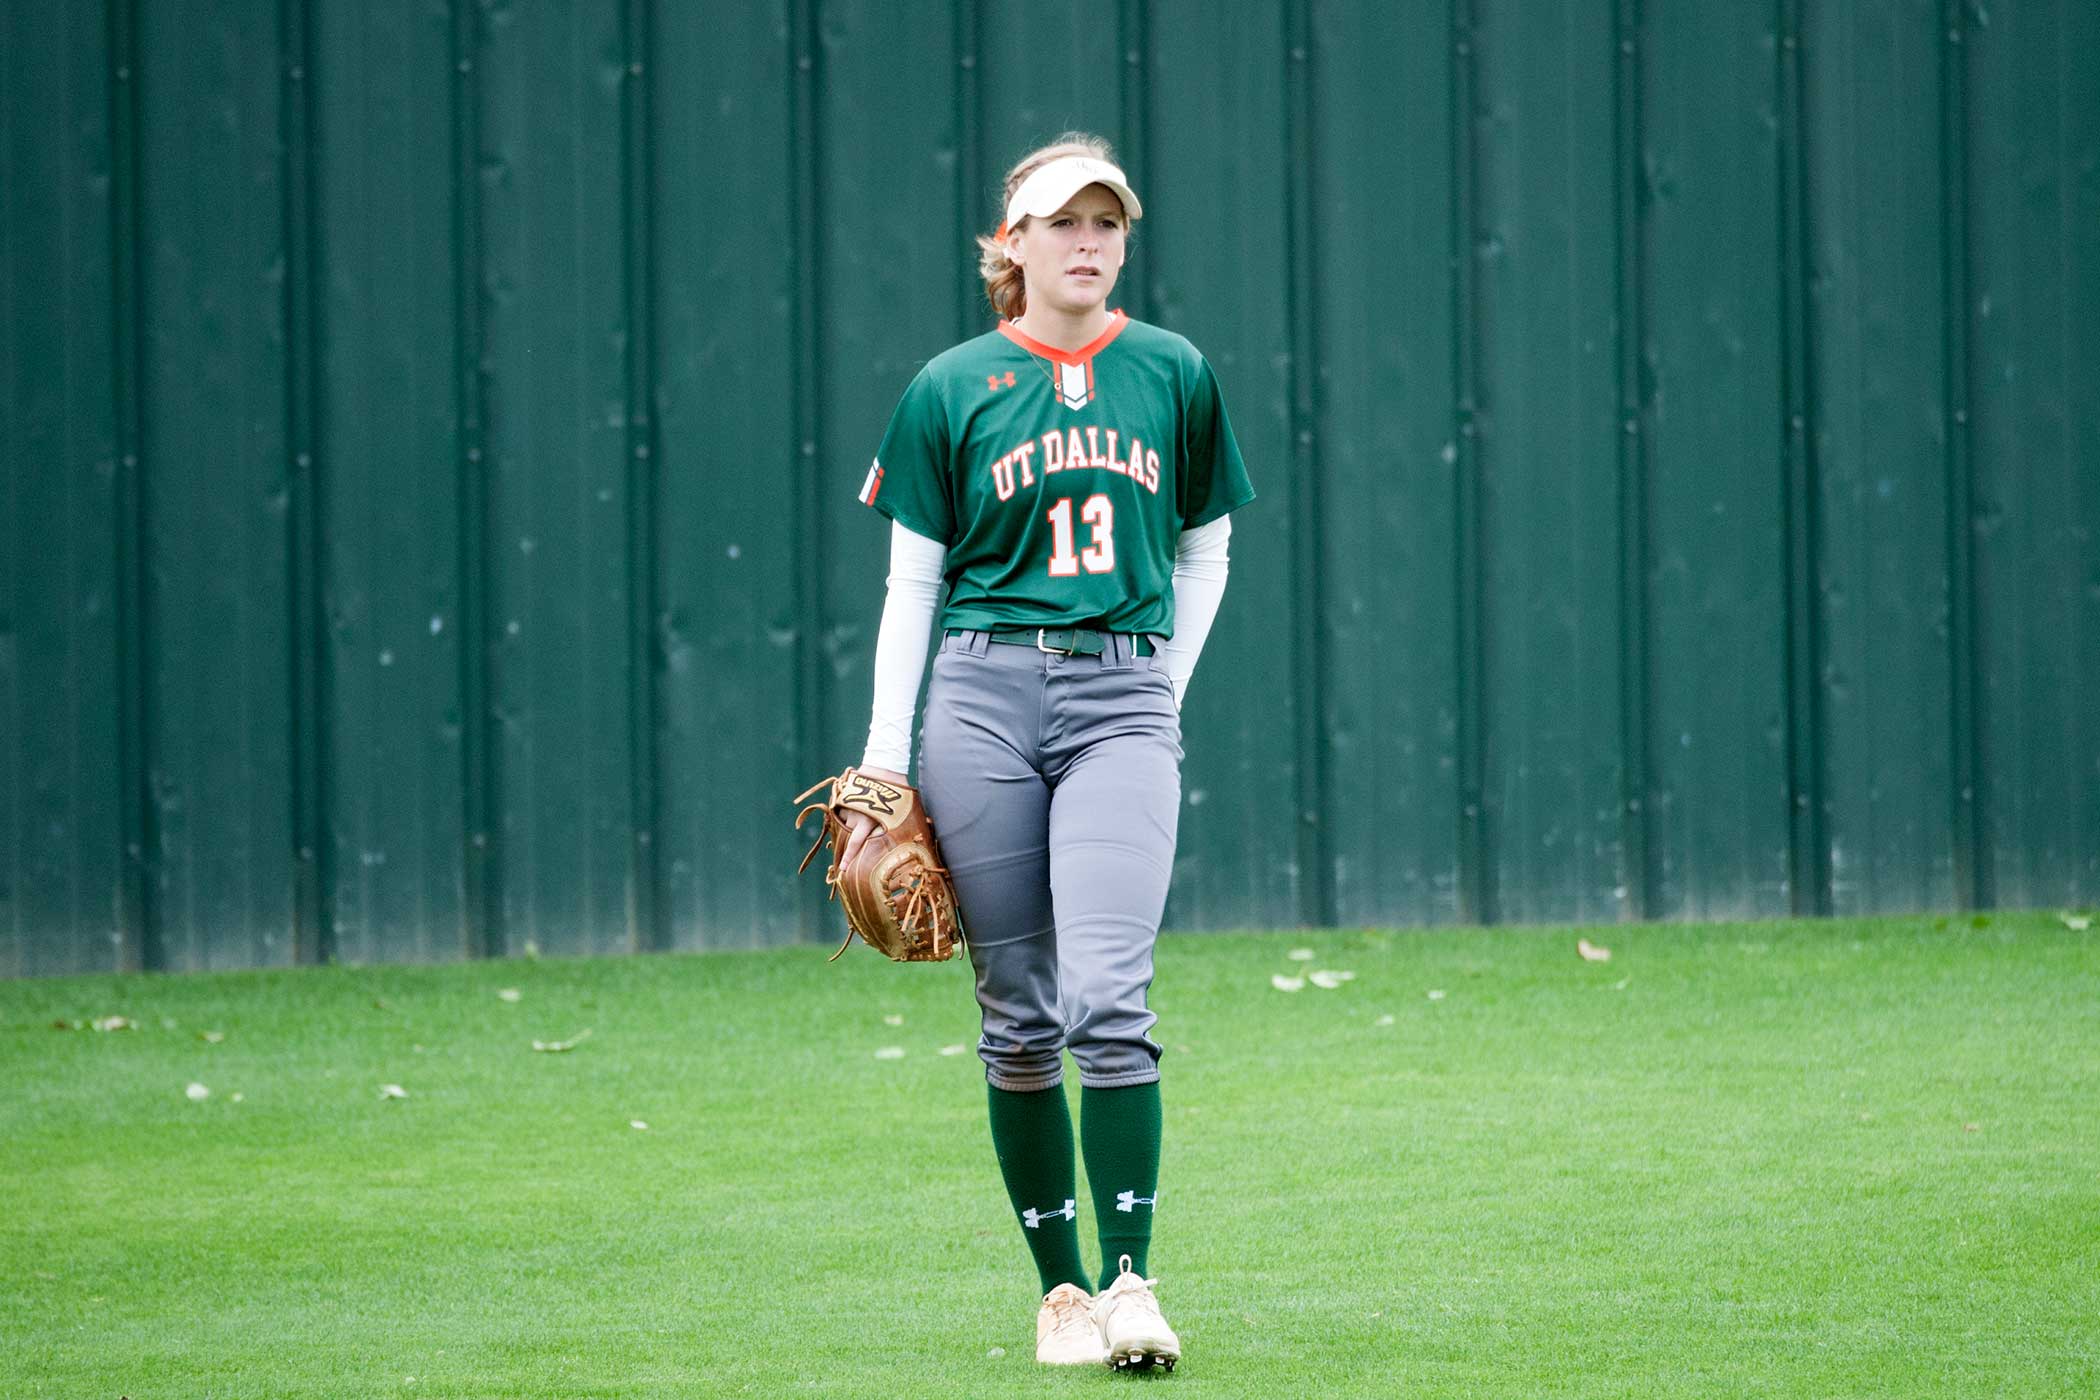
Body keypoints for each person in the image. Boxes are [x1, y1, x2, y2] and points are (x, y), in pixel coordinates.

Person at [839, 132, 1254, 1370]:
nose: (1087, 241)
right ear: (1010, 243)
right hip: (981, 696)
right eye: (1062, 221)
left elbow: (1207, 549)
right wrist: (885, 757)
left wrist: (1161, 689)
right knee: (1018, 1017)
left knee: (1110, 999)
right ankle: (1062, 1291)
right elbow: (913, 585)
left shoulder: (1172, 370)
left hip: (1123, 693)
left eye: (1106, 221)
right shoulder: (950, 386)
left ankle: (1132, 1280)